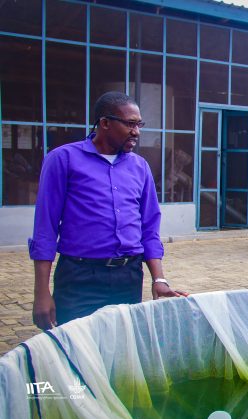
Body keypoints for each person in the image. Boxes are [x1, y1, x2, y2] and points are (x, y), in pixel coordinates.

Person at [29, 92, 187, 330]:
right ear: (105, 123)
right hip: (79, 279)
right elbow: (45, 230)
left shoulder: (140, 167)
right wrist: (41, 292)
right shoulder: (63, 160)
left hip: (128, 277)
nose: (137, 131)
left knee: (121, 350)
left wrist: (159, 279)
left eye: (139, 124)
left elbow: (149, 229)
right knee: (79, 352)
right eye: (130, 124)